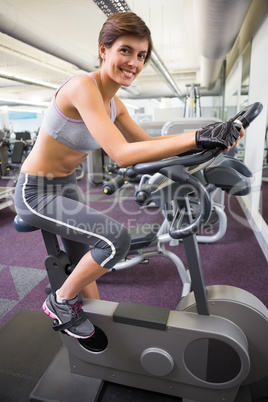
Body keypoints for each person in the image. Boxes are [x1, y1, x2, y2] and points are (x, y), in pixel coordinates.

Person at [14, 12, 244, 339]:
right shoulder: (83, 86)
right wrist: (197, 136)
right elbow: (121, 154)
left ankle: (98, 331)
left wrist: (209, 138)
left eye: (141, 56)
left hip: (66, 187)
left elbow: (149, 145)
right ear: (103, 50)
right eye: (125, 50)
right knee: (115, 241)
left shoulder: (115, 105)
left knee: (85, 261)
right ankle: (60, 301)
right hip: (35, 192)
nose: (134, 62)